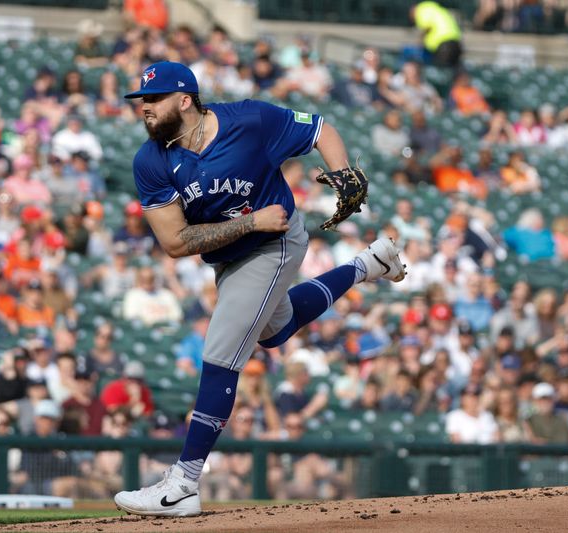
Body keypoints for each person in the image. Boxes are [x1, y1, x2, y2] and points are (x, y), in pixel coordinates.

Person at [113, 61, 405, 517]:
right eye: (142, 101)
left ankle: (185, 482)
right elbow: (173, 243)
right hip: (237, 250)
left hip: (276, 242)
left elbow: (318, 129)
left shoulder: (248, 120)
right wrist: (250, 220)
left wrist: (344, 172)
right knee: (275, 328)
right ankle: (369, 264)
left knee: (220, 351)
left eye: (153, 99)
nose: (144, 108)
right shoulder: (150, 160)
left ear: (185, 100)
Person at [410, 1, 462, 68]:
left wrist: (420, 41)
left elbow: (427, 26)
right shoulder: (434, 8)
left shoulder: (422, 10)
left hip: (443, 44)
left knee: (440, 69)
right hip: (456, 41)